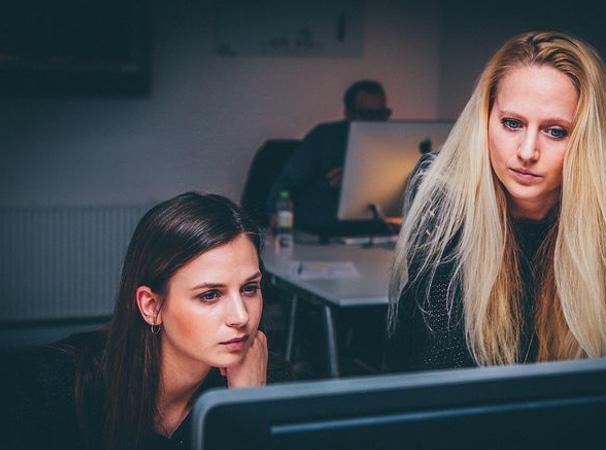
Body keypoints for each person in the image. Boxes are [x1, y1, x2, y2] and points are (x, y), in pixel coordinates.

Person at [386, 31, 606, 372]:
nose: (527, 152)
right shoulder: (444, 189)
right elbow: (438, 362)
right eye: (511, 123)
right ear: (485, 118)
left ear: (588, 139)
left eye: (556, 131)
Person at [5, 193, 292, 450]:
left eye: (250, 288)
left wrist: (246, 408)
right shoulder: (54, 386)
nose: (241, 317)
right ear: (152, 306)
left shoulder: (263, 380)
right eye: (209, 295)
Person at [265, 79, 392, 230]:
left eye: (381, 114)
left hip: (376, 230)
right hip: (323, 229)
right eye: (367, 115)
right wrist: (276, 214)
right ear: (348, 115)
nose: (376, 122)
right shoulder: (324, 138)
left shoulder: (392, 146)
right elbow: (287, 182)